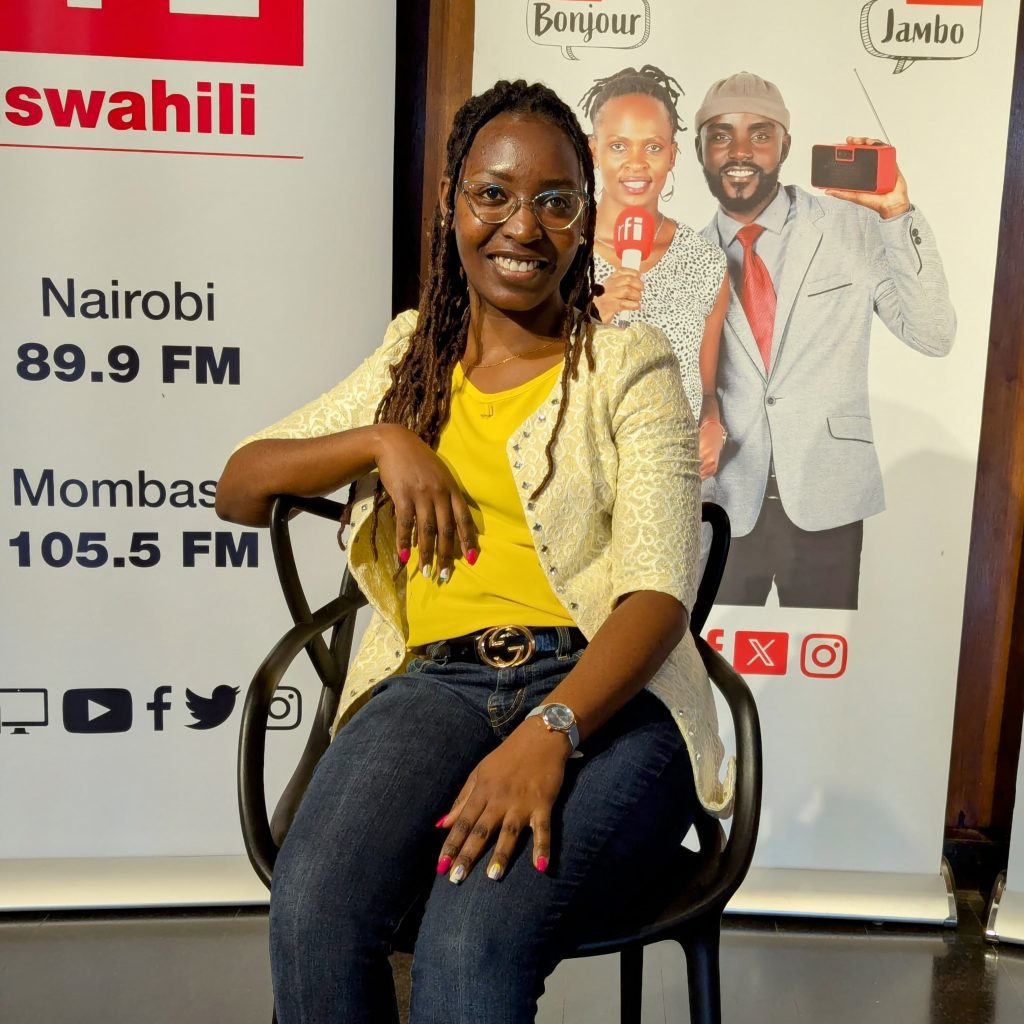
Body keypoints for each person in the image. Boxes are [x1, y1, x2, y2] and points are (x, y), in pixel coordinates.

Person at [216, 81, 732, 1024]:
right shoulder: (411, 359)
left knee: (470, 938)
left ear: (585, 220)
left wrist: (550, 731)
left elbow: (658, 595)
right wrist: (384, 441)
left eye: (554, 201)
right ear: (452, 204)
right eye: (494, 194)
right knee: (314, 909)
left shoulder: (632, 365)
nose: (521, 227)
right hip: (434, 686)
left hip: (607, 697)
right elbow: (242, 484)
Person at [693, 72, 956, 610]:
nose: (739, 151)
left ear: (786, 144)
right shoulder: (683, 258)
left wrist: (896, 213)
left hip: (829, 497)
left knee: (827, 654)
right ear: (699, 149)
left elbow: (933, 334)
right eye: (720, 135)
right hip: (721, 504)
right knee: (710, 658)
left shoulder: (852, 226)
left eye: (760, 134)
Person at [580, 65, 730, 480]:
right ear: (593, 151)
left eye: (652, 147)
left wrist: (713, 426)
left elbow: (705, 391)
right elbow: (527, 370)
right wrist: (591, 313)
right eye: (618, 146)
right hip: (583, 478)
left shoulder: (706, 262)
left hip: (667, 479)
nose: (636, 164)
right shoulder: (560, 248)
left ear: (673, 155)